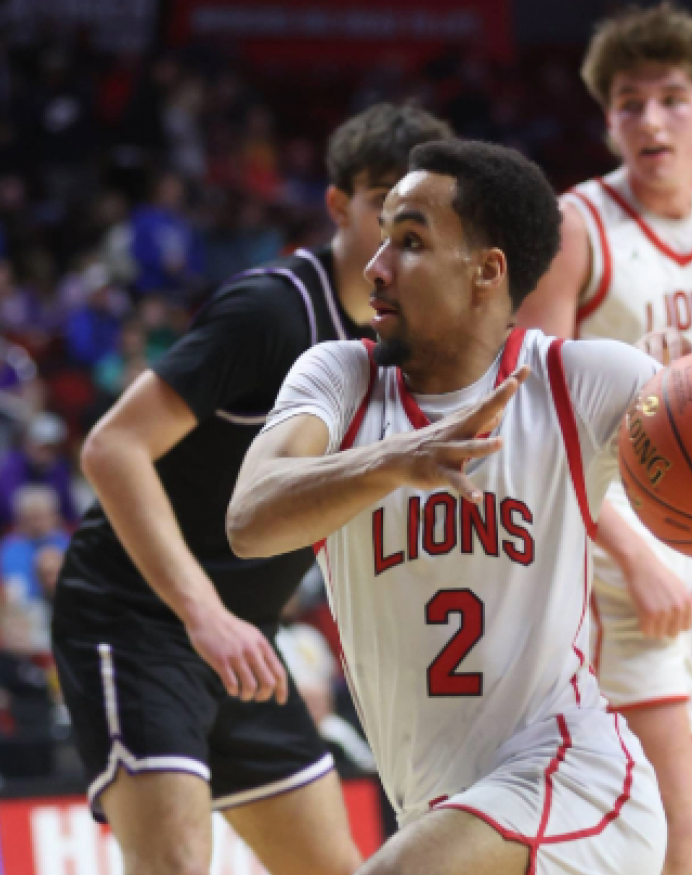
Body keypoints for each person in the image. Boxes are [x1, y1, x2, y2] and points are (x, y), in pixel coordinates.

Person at [229, 138, 692, 875]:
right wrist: (392, 461)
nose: (376, 268)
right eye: (380, 241)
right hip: (436, 803)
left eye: (409, 242)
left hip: (570, 777)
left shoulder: (580, 380)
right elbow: (249, 518)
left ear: (486, 271)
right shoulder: (339, 375)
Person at [50, 103, 452, 875]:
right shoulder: (271, 311)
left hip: (246, 636)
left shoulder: (406, 336)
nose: (400, 235)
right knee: (173, 863)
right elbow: (112, 447)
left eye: (420, 217)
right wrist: (203, 613)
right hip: (139, 616)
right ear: (339, 206)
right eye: (383, 208)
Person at [513, 9, 692, 869]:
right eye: (630, 104)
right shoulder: (576, 227)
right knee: (666, 845)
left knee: (668, 850)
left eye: (673, 100)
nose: (652, 121)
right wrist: (630, 553)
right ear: (608, 120)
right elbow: (534, 418)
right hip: (598, 556)